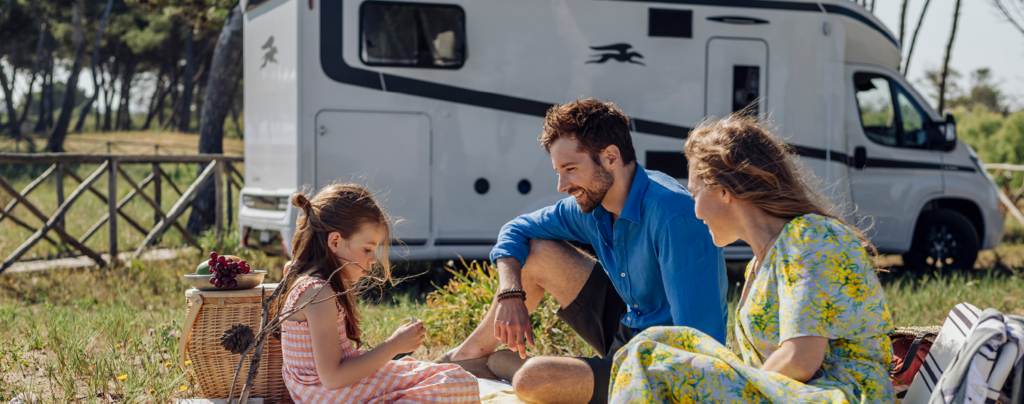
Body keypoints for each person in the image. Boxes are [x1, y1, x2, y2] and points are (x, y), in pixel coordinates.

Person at [436, 99, 728, 403]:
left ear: (611, 158)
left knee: (532, 381)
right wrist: (510, 293)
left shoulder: (673, 216)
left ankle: (510, 368)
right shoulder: (592, 204)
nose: (563, 185)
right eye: (559, 171)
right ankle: (466, 359)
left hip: (661, 362)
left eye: (571, 169)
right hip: (627, 326)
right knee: (537, 253)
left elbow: (700, 344)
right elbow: (515, 230)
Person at [608, 113, 895, 403]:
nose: (694, 211)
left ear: (724, 190)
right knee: (650, 344)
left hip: (842, 395)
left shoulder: (810, 236)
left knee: (653, 362)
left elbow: (801, 359)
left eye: (695, 194)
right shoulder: (760, 265)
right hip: (794, 394)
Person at [279, 183, 480, 403]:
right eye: (367, 249)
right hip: (335, 394)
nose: (373, 259)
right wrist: (393, 345)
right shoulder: (318, 293)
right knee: (457, 383)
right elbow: (332, 378)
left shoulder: (308, 282)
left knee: (451, 378)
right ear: (335, 241)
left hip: (337, 392)